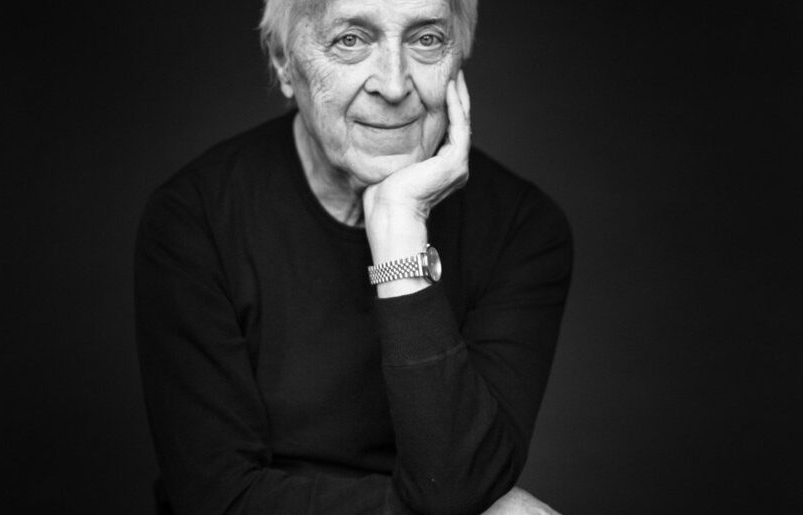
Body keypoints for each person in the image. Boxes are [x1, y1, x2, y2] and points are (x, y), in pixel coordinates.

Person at [134, 0, 572, 513]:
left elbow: (457, 479)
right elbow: (219, 499)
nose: (394, 84)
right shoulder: (195, 219)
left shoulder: (522, 227)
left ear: (459, 58)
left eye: (426, 39)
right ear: (283, 62)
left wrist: (399, 227)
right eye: (351, 40)